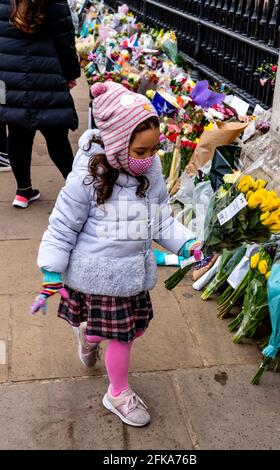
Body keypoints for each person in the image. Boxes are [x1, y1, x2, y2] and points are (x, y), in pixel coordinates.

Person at [31, 81, 201, 427]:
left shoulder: (149, 172)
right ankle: (118, 393)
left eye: (154, 150)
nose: (149, 159)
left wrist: (187, 243)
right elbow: (62, 226)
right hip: (98, 275)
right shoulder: (87, 179)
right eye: (141, 151)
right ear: (118, 144)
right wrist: (51, 270)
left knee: (126, 331)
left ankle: (88, 336)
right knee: (122, 336)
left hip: (132, 274)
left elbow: (160, 220)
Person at [0, 0, 80, 208]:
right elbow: (65, 41)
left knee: (17, 134)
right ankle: (76, 189)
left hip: (10, 75)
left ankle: (22, 192)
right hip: (46, 74)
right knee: (56, 136)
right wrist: (71, 73)